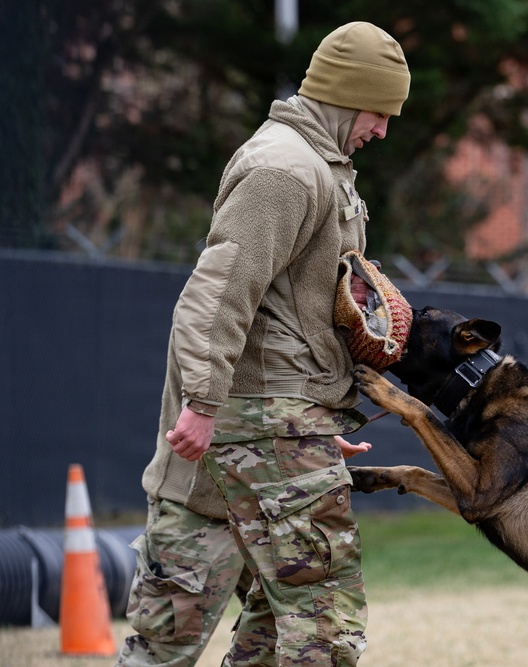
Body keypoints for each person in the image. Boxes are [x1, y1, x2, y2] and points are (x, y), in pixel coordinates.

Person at [117, 20, 410, 667]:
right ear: (345, 94)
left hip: (260, 432)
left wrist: (307, 415)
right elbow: (218, 291)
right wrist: (207, 401)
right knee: (320, 629)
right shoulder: (287, 168)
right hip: (253, 433)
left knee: (181, 640)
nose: (383, 130)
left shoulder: (318, 168)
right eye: (379, 111)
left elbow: (284, 317)